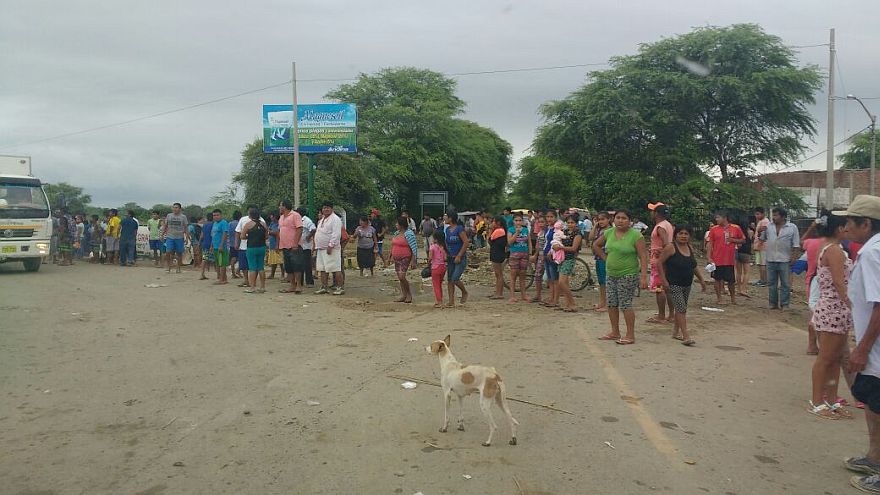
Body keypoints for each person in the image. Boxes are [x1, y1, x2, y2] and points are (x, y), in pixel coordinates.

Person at [839, 196, 880, 491]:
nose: (846, 226)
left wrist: (863, 348)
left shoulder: (872, 254)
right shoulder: (870, 250)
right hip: (873, 345)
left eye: (850, 221)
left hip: (876, 347)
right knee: (872, 403)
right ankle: (874, 457)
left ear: (866, 224)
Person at [807, 212, 854, 419]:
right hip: (833, 309)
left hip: (838, 310)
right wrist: (851, 304)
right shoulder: (833, 250)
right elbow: (839, 282)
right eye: (846, 226)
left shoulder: (835, 248)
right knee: (825, 358)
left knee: (834, 359)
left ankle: (832, 400)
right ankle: (817, 401)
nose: (848, 229)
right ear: (838, 229)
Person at [594, 209, 648, 345]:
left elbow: (643, 256)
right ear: (613, 219)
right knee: (611, 303)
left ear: (629, 221)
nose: (620, 220)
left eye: (624, 218)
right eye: (618, 218)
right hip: (611, 273)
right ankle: (615, 331)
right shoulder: (609, 232)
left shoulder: (636, 236)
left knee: (625, 304)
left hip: (628, 274)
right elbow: (596, 245)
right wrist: (605, 258)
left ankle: (630, 335)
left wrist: (643, 277)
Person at [657, 225, 707, 346]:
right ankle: (686, 336)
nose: (683, 236)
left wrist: (701, 279)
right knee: (681, 309)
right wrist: (663, 280)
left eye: (686, 234)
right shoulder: (670, 247)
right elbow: (659, 263)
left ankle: (675, 332)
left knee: (682, 308)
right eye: (681, 233)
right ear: (675, 235)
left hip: (687, 284)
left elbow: (693, 265)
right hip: (674, 284)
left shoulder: (689, 247)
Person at [758, 207, 800, 310]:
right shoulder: (769, 226)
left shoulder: (792, 227)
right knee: (772, 283)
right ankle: (773, 303)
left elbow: (796, 244)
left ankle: (785, 304)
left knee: (785, 284)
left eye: (776, 215)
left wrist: (794, 257)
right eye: (773, 215)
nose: (774, 218)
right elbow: (762, 239)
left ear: (783, 217)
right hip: (771, 258)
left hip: (784, 259)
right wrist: (759, 231)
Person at [706, 211, 745, 306]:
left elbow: (743, 240)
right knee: (717, 279)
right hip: (717, 259)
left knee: (731, 281)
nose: (716, 220)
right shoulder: (714, 229)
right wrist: (708, 257)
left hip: (730, 259)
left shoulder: (736, 228)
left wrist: (733, 240)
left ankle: (733, 298)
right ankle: (719, 298)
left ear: (724, 218)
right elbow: (710, 243)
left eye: (718, 217)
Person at [647, 203, 675, 323]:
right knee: (667, 287)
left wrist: (660, 253)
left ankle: (661, 315)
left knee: (659, 288)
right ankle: (671, 314)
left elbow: (665, 243)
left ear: (656, 213)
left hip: (659, 261)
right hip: (665, 259)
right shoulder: (668, 225)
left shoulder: (660, 227)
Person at [554, 214, 583, 312]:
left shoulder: (578, 234)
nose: (570, 224)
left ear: (576, 223)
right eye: (569, 222)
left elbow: (573, 248)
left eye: (572, 222)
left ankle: (573, 303)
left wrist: (560, 247)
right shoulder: (564, 231)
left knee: (561, 282)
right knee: (564, 282)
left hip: (569, 259)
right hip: (562, 258)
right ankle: (568, 303)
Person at [314, 202, 344, 295]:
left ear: (332, 209)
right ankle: (324, 287)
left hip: (331, 248)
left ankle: (340, 287)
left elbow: (336, 234)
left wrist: (331, 245)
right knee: (322, 269)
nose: (325, 210)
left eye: (328, 208)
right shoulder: (322, 219)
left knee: (336, 268)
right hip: (321, 248)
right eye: (324, 208)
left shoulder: (335, 219)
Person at [445, 209, 471, 308]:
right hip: (450, 257)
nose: (445, 218)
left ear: (451, 218)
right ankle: (451, 301)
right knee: (449, 280)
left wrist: (459, 255)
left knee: (455, 278)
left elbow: (465, 242)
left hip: (460, 257)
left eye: (446, 216)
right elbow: (447, 243)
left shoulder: (459, 229)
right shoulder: (447, 230)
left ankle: (464, 292)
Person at [277, 201, 305, 294]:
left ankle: (299, 286)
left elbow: (299, 229)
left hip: (294, 246)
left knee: (296, 265)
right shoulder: (281, 217)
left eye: (280, 206)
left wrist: (295, 243)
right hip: (284, 245)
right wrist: (279, 244)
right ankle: (292, 285)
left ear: (284, 207)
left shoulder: (295, 215)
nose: (279, 208)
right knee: (288, 267)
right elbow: (280, 231)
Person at [240, 208, 268, 294]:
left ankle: (252, 287)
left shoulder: (248, 225)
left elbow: (242, 236)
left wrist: (250, 237)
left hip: (251, 248)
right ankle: (262, 287)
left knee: (252, 268)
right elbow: (266, 236)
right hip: (262, 247)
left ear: (250, 215)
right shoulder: (263, 224)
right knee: (261, 267)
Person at [507, 212, 533, 303]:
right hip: (514, 253)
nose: (518, 222)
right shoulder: (510, 230)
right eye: (516, 220)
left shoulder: (526, 230)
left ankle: (523, 295)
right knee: (513, 274)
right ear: (513, 221)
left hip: (524, 254)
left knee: (523, 275)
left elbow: (529, 242)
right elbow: (510, 242)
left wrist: (530, 253)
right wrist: (516, 233)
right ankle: (512, 295)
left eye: (520, 220)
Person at [391, 216, 418, 303]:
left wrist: (413, 261)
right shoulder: (396, 233)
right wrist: (389, 257)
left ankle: (409, 294)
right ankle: (403, 294)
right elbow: (393, 246)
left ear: (401, 225)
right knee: (399, 277)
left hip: (405, 258)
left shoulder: (409, 234)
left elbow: (414, 248)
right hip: (396, 258)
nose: (396, 225)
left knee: (402, 276)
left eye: (397, 223)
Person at [590, 212, 612, 312]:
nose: (601, 221)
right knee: (601, 282)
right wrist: (595, 226)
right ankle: (602, 302)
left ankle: (608, 304)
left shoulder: (610, 230)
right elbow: (590, 237)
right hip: (598, 258)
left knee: (607, 282)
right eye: (599, 220)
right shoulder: (599, 230)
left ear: (608, 219)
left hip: (606, 257)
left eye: (603, 219)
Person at [163, 203, 189, 274]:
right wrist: (162, 234)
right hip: (170, 236)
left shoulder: (183, 217)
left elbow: (186, 228)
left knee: (179, 253)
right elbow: (165, 225)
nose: (175, 209)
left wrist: (187, 238)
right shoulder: (169, 215)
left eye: (176, 207)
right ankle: (169, 266)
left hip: (179, 237)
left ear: (180, 209)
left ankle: (178, 267)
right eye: (174, 207)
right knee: (168, 252)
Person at [542, 209, 561, 308]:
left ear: (555, 217)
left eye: (551, 217)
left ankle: (556, 300)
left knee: (555, 279)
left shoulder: (557, 229)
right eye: (548, 217)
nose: (549, 219)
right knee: (550, 279)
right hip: (546, 255)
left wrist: (551, 252)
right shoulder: (548, 228)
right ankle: (551, 298)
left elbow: (557, 242)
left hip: (553, 256)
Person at [488, 216, 508, 300]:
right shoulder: (501, 231)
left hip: (497, 254)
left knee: (499, 274)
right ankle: (497, 292)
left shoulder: (499, 231)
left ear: (498, 223)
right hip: (496, 253)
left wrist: (490, 230)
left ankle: (499, 293)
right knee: (497, 274)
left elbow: (490, 240)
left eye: (494, 221)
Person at [234, 207, 254, 287]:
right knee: (243, 265)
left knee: (253, 265)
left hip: (254, 246)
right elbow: (238, 232)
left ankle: (252, 281)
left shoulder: (261, 220)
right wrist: (237, 243)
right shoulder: (243, 219)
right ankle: (246, 280)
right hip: (243, 246)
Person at [296, 207, 316, 288]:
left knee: (307, 265)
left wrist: (308, 237)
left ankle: (309, 282)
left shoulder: (307, 220)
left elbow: (313, 229)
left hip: (306, 246)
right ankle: (299, 282)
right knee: (299, 264)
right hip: (300, 245)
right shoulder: (298, 220)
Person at [735, 219, 755, 298]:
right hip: (746, 252)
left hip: (738, 252)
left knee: (738, 272)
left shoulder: (737, 232)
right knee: (747, 272)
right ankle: (743, 288)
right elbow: (752, 240)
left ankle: (739, 289)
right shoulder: (750, 232)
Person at [530, 216, 547, 304]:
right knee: (538, 275)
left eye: (542, 222)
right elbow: (537, 246)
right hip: (540, 255)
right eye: (539, 222)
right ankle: (538, 295)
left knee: (550, 277)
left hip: (546, 255)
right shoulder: (540, 233)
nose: (540, 224)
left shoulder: (547, 232)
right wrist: (535, 255)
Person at [209, 209, 229, 285]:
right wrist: (211, 245)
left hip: (221, 247)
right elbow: (213, 235)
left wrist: (221, 245)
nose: (216, 217)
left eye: (217, 215)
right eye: (214, 215)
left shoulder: (223, 223)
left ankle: (222, 280)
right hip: (215, 246)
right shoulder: (214, 224)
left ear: (221, 215)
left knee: (222, 263)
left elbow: (225, 234)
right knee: (217, 263)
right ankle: (224, 278)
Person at [429, 230, 448, 308]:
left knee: (436, 285)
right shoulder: (443, 247)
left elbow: (430, 257)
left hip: (435, 267)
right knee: (439, 284)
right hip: (443, 267)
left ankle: (439, 302)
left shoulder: (432, 247)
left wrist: (429, 261)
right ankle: (439, 300)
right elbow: (445, 258)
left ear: (436, 239)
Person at [753, 207, 770, 286]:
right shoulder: (760, 221)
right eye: (756, 214)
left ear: (763, 214)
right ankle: (761, 279)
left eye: (758, 214)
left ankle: (765, 280)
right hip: (759, 246)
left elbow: (764, 235)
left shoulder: (765, 222)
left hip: (763, 246)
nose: (756, 216)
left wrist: (759, 244)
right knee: (759, 264)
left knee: (763, 264)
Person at [265, 213, 282, 280]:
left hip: (277, 244)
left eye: (272, 217)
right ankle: (272, 274)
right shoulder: (272, 224)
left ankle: (283, 274)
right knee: (273, 261)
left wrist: (270, 232)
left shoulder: (279, 224)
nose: (271, 218)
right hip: (272, 244)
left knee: (281, 261)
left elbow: (276, 233)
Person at [199, 215, 213, 280]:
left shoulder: (204, 225)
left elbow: (201, 236)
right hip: (212, 244)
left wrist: (199, 243)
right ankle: (219, 274)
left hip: (205, 244)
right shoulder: (214, 225)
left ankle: (202, 274)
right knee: (216, 259)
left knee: (204, 259)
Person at [228, 211, 241, 278]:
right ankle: (238, 271)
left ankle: (233, 273)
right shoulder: (239, 223)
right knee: (241, 258)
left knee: (233, 259)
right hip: (239, 243)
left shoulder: (230, 223)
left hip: (231, 243)